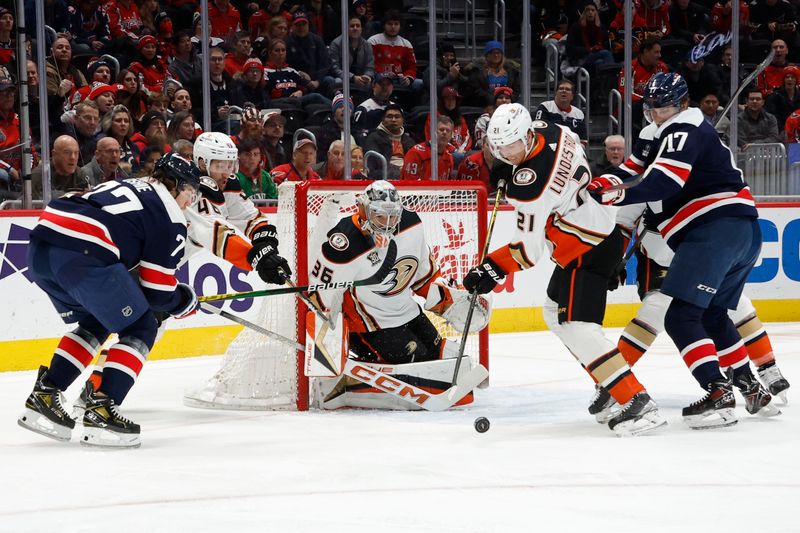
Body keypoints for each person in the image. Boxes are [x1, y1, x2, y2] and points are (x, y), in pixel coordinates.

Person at [463, 103, 665, 436]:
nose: (507, 154)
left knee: (576, 325)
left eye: (512, 146)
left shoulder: (530, 187)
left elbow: (528, 251)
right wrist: (509, 167)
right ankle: (614, 387)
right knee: (552, 313)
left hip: (585, 248)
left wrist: (491, 269)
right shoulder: (555, 130)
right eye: (500, 148)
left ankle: (636, 400)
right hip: (603, 232)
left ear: (528, 135)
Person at [588, 72, 777, 428]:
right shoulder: (663, 132)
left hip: (713, 230)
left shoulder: (682, 129)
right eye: (653, 107)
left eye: (664, 107)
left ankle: (718, 390)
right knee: (713, 314)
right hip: (742, 232)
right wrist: (609, 180)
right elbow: (634, 167)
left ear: (682, 104)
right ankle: (748, 384)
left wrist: (618, 194)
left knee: (679, 317)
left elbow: (664, 181)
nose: (657, 112)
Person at [18, 153, 202, 448]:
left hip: (41, 247)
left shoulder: (132, 185)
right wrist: (185, 301)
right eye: (190, 192)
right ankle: (103, 407)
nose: (189, 202)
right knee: (141, 327)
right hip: (82, 252)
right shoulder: (169, 213)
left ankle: (46, 393)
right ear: (177, 185)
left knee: (97, 320)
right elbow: (157, 292)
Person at [308, 180, 490, 409]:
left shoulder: (411, 223)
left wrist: (449, 302)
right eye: (379, 217)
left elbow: (422, 276)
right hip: (368, 327)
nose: (387, 224)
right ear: (363, 210)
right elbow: (319, 297)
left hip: (408, 313)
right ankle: (345, 385)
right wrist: (326, 348)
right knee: (419, 363)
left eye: (392, 216)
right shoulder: (344, 243)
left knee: (446, 356)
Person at [612, 203, 791, 407]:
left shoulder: (697, 178)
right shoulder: (644, 179)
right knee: (655, 310)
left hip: (697, 255)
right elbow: (622, 222)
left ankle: (767, 368)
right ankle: (613, 379)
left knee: (737, 304)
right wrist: (613, 259)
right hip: (657, 263)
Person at [187, 131, 290, 281]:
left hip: (168, 264)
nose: (226, 174)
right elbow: (215, 233)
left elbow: (250, 217)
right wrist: (257, 258)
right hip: (145, 261)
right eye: (220, 166)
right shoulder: (191, 188)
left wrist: (267, 246)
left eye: (230, 165)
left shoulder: (225, 183)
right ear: (202, 164)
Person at [367, 10, 421, 92]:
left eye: (396, 24)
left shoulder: (406, 44)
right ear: (384, 25)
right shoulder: (373, 41)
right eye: (390, 24)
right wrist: (382, 74)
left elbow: (411, 67)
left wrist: (408, 78)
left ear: (400, 26)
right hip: (378, 77)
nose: (393, 27)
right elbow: (369, 64)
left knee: (419, 83)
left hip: (399, 79)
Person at [285, 11, 334, 98]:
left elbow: (325, 64)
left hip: (316, 79)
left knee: (330, 80)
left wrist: (317, 81)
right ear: (292, 26)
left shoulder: (317, 40)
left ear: (308, 25)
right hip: (298, 81)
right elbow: (287, 66)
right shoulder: (287, 43)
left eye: (303, 24)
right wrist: (301, 77)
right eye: (298, 25)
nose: (301, 27)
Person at [362, 103, 415, 179]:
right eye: (389, 117)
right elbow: (375, 168)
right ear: (383, 120)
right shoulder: (374, 138)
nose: (393, 120)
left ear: (402, 120)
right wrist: (400, 171)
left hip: (407, 177)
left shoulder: (409, 140)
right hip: (385, 179)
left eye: (397, 117)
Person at [461, 40, 520, 107]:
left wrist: (508, 100)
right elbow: (476, 90)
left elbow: (516, 90)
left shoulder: (511, 71)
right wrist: (491, 100)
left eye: (499, 52)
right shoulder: (477, 71)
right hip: (485, 107)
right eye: (493, 53)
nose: (496, 55)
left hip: (506, 107)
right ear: (487, 55)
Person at [31, 135, 91, 200]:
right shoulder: (40, 175)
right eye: (67, 152)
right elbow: (37, 200)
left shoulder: (81, 175)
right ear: (54, 154)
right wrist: (69, 195)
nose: (73, 157)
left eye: (76, 153)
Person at [328, 14, 374, 94]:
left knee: (372, 82)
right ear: (346, 28)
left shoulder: (367, 45)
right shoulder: (336, 44)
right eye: (352, 26)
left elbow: (370, 67)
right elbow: (334, 69)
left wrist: (367, 76)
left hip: (361, 77)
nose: (355, 28)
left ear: (361, 29)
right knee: (337, 81)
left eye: (358, 26)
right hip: (342, 77)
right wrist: (352, 77)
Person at [400, 115, 455, 180]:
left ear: (451, 135)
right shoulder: (416, 153)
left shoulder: (449, 158)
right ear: (433, 132)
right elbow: (409, 184)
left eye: (448, 131)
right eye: (441, 129)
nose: (444, 133)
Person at [353, 73, 395, 139]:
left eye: (388, 84)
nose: (385, 87)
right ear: (373, 86)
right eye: (381, 84)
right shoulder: (364, 108)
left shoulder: (396, 108)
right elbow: (358, 134)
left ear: (392, 87)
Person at [766, 65, 800, 131]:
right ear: (783, 80)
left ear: (796, 80)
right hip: (780, 129)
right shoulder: (774, 96)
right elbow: (772, 116)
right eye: (787, 77)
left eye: (792, 77)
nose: (789, 79)